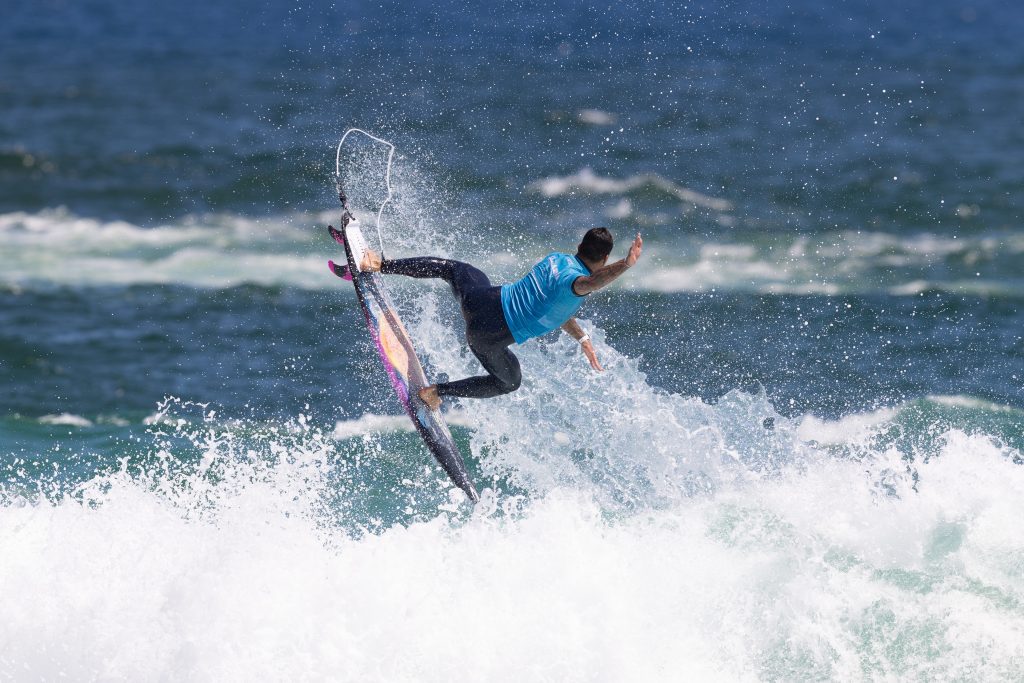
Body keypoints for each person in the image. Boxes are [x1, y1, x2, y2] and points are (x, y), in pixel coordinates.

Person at [361, 227, 643, 409]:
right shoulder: (579, 282)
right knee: (509, 382)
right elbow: (590, 283)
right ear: (604, 259)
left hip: (479, 302)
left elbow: (555, 306)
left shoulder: (557, 259)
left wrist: (582, 337)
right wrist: (627, 264)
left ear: (580, 245)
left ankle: (381, 264)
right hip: (488, 337)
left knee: (456, 269)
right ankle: (435, 392)